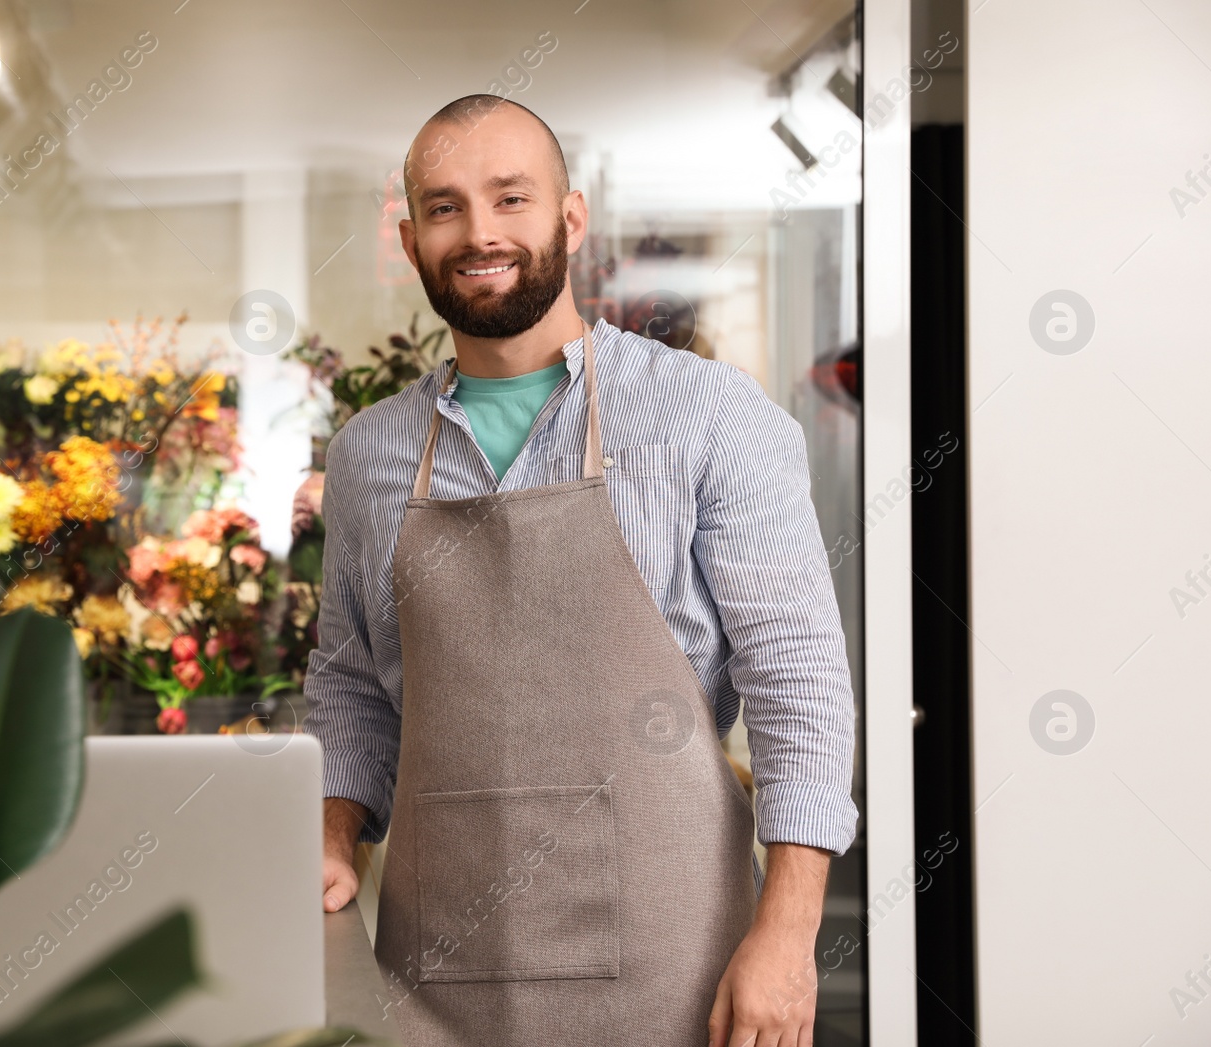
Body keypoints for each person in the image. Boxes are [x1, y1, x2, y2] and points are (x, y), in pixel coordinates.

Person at [302, 93, 857, 1047]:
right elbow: (351, 681)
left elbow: (798, 680)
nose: (480, 232)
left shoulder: (709, 416)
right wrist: (330, 833)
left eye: (510, 198)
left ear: (570, 218)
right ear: (410, 237)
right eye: (444, 208)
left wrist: (789, 928)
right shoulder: (369, 454)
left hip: (678, 965)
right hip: (435, 973)